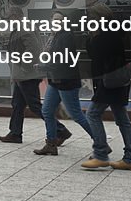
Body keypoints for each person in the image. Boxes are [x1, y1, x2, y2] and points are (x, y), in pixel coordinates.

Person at [0, 7, 71, 145]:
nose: (7, 22)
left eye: (8, 19)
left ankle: (60, 130)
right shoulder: (22, 27)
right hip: (23, 75)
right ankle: (15, 133)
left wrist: (24, 68)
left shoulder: (23, 28)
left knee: (35, 105)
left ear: (15, 16)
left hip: (27, 75)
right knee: (18, 104)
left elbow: (33, 50)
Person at [82, 3, 131, 171]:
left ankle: (100, 154)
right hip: (118, 81)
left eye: (91, 18)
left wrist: (92, 36)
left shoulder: (105, 34)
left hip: (109, 82)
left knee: (92, 114)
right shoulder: (115, 32)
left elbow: (95, 55)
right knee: (122, 119)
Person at [34, 11, 93, 156]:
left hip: (66, 82)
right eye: (54, 19)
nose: (57, 22)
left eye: (60, 20)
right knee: (47, 111)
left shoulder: (66, 37)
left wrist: (43, 67)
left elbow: (62, 61)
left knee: (76, 115)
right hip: (55, 81)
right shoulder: (54, 37)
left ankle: (100, 141)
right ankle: (51, 144)